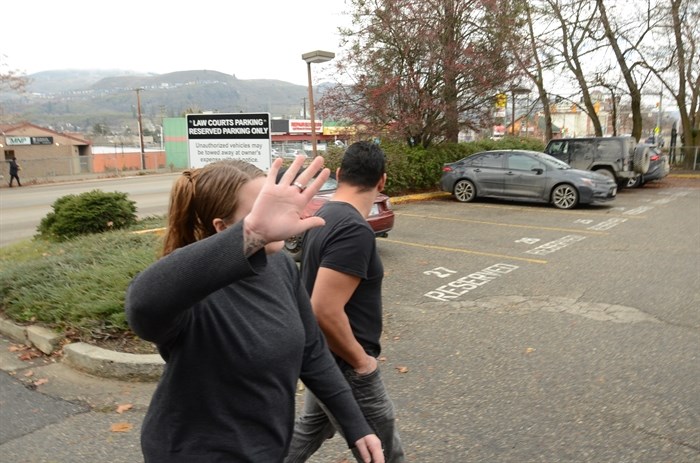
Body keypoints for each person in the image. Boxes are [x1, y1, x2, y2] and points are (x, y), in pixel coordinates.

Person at [125, 155, 384, 463]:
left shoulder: (280, 265)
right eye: (262, 211)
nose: (280, 217)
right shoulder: (191, 292)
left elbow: (312, 352)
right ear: (224, 228)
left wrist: (355, 425)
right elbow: (141, 305)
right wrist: (251, 235)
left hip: (267, 450)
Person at [285, 142, 405, 463]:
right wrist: (362, 362)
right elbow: (323, 308)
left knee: (312, 427)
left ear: (339, 175)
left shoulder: (325, 216)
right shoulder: (354, 229)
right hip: (346, 364)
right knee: (384, 450)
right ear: (382, 181)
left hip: (323, 356)